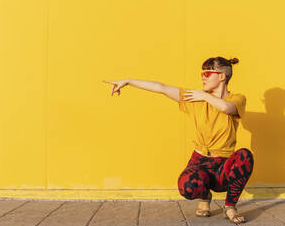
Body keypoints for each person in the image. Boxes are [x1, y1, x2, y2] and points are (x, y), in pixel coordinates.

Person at [103, 56, 253, 224]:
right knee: (187, 186)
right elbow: (161, 87)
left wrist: (203, 96)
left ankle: (230, 207)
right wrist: (128, 81)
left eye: (207, 73)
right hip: (200, 161)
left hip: (222, 167)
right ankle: (205, 197)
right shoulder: (194, 98)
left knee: (245, 155)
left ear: (222, 76)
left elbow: (226, 108)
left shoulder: (236, 98)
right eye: (202, 73)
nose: (202, 77)